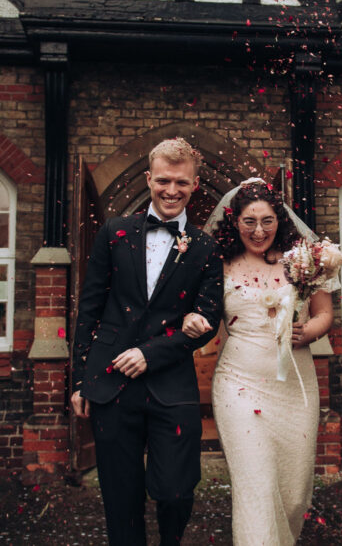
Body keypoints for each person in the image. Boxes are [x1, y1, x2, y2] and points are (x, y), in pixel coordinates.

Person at [70, 138, 224, 545]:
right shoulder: (114, 232)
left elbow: (209, 320)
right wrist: (79, 380)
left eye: (181, 183)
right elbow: (89, 309)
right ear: (148, 179)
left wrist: (151, 352)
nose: (171, 191)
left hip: (171, 385)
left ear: (194, 184)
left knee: (176, 490)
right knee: (120, 501)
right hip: (110, 379)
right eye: (163, 181)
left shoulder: (206, 248)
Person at [182, 178, 336, 545]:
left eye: (267, 220)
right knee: (256, 485)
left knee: (293, 492)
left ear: (279, 220)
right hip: (240, 384)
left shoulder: (300, 260)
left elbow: (324, 314)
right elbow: (195, 311)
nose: (258, 230)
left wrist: (310, 331)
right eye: (249, 221)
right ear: (234, 221)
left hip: (295, 386)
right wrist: (191, 320)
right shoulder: (216, 263)